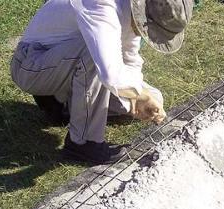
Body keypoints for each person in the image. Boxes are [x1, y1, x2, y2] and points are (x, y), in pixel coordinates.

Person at [10, 0, 193, 164]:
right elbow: (110, 74)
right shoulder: (102, 6)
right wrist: (140, 95)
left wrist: (140, 99)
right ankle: (83, 143)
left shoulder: (131, 8)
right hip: (32, 64)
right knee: (94, 59)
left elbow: (130, 59)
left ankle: (61, 103)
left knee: (154, 97)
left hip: (63, 63)